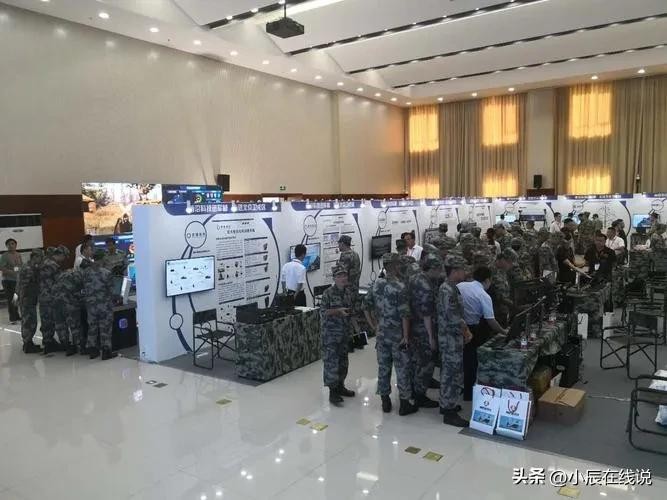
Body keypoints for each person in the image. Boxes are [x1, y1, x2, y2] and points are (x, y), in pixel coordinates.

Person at [362, 253, 417, 416]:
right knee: (402, 369)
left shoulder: (376, 284)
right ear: (395, 266)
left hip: (381, 334)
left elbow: (365, 307)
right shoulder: (400, 287)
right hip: (398, 335)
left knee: (383, 368)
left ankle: (385, 401)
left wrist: (374, 326)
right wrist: (406, 337)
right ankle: (404, 403)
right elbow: (405, 315)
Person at [457, 266, 508, 400]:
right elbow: (490, 320)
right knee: (471, 361)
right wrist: (504, 331)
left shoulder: (461, 286)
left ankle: (458, 387)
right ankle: (468, 393)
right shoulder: (483, 295)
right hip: (472, 329)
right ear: (487, 280)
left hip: (456, 326)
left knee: (459, 359)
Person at [437, 255, 472, 427]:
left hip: (452, 337)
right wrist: (466, 331)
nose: (465, 273)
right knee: (451, 374)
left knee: (450, 372)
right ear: (455, 271)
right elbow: (453, 317)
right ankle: (449, 411)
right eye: (463, 270)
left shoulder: (451, 288)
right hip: (450, 338)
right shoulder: (447, 290)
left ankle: (446, 404)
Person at [407, 254, 441, 409]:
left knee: (415, 361)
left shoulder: (414, 278)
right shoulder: (426, 286)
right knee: (426, 363)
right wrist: (431, 336)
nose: (440, 272)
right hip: (423, 328)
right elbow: (427, 314)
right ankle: (420, 395)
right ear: (432, 268)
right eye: (438, 269)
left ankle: (413, 389)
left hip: (412, 325)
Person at [319, 265, 355, 406]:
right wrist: (337, 311)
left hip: (344, 333)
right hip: (331, 335)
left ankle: (340, 386)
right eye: (339, 276)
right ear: (334, 278)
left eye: (344, 275)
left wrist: (355, 328)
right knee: (331, 363)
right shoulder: (328, 293)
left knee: (343, 362)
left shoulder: (348, 293)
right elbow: (323, 312)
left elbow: (351, 311)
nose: (343, 278)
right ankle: (333, 392)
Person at [81, 251, 117, 360]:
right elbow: (112, 290)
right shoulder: (106, 273)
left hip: (91, 305)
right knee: (105, 327)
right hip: (104, 305)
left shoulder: (86, 272)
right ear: (102, 259)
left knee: (92, 327)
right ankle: (106, 351)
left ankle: (92, 351)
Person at [38, 245, 69, 353]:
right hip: (51, 297)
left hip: (43, 296)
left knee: (46, 320)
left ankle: (48, 342)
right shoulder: (53, 265)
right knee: (54, 320)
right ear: (61, 254)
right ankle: (55, 343)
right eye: (64, 257)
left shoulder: (44, 262)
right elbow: (60, 281)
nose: (63, 260)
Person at [17, 249, 44, 353]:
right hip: (27, 299)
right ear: (35, 257)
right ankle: (28, 344)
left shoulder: (28, 267)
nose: (41, 260)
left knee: (28, 321)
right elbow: (26, 285)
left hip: (27, 299)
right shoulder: (28, 269)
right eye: (40, 257)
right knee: (29, 321)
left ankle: (28, 343)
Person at [488, 250, 514, 328]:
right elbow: (498, 295)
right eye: (509, 262)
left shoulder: (502, 270)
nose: (511, 265)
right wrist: (514, 305)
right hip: (496, 310)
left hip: (503, 309)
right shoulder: (493, 271)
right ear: (502, 260)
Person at [1, 238, 23, 323]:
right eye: (9, 244)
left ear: (16, 245)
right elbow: (2, 268)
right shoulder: (5, 256)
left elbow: (20, 266)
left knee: (15, 299)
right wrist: (13, 272)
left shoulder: (18, 254)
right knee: (11, 299)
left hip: (16, 281)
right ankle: (12, 318)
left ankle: (16, 316)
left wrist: (18, 271)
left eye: (13, 244)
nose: (11, 245)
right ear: (6, 246)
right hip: (8, 281)